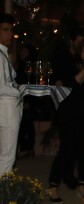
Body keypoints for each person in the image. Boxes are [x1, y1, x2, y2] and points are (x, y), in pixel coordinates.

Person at [48, 40, 84, 202]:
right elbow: (69, 88)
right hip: (72, 116)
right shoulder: (71, 68)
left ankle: (82, 184)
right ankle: (53, 186)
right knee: (66, 151)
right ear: (80, 54)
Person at [0, 13, 22, 176]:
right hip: (6, 109)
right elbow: (1, 87)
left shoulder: (4, 54)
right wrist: (22, 89)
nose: (10, 34)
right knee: (7, 156)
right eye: (6, 30)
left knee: (6, 155)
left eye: (11, 30)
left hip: (8, 108)